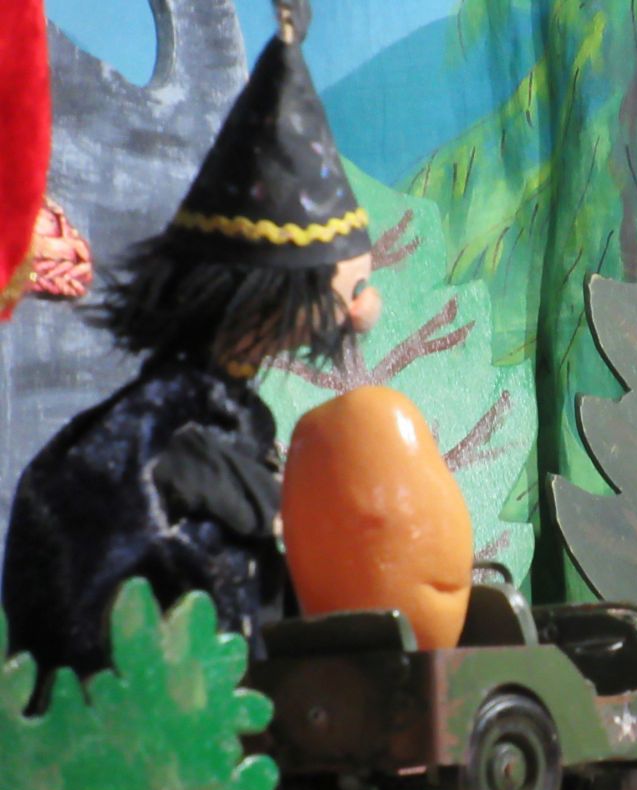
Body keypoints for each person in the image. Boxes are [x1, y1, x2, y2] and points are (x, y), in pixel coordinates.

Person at [1, 0, 380, 707]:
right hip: (144, 731)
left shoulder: (214, 431)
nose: (364, 309)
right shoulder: (157, 454)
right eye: (351, 288)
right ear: (270, 296)